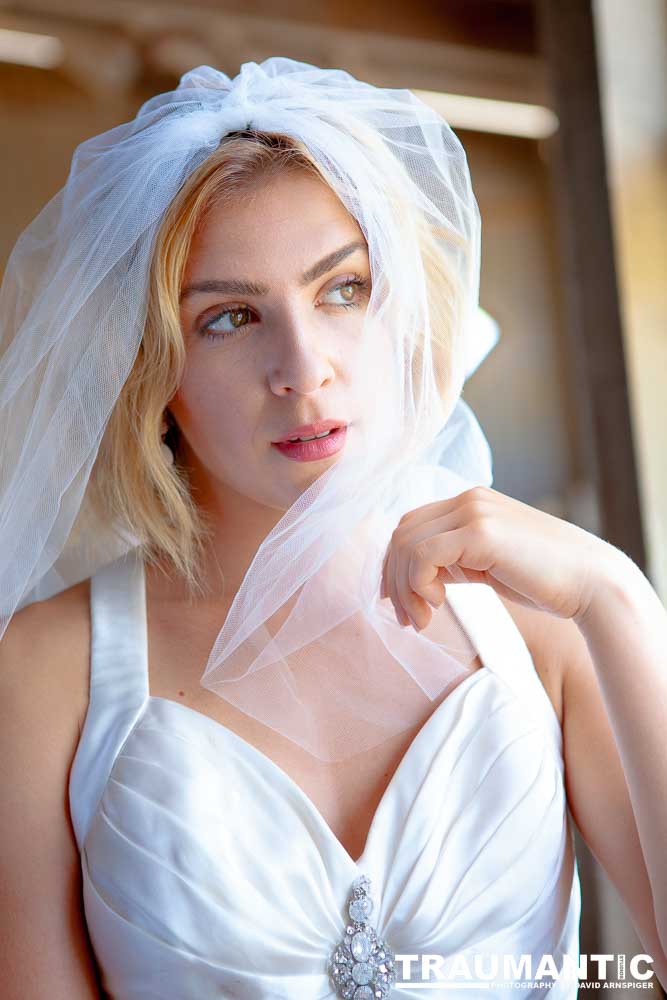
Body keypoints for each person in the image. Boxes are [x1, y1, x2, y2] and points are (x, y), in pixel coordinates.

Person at [1, 58, 666, 999]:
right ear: (152, 370)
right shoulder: (47, 671)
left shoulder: (544, 627)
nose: (302, 368)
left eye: (341, 289)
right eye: (230, 317)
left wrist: (618, 597)